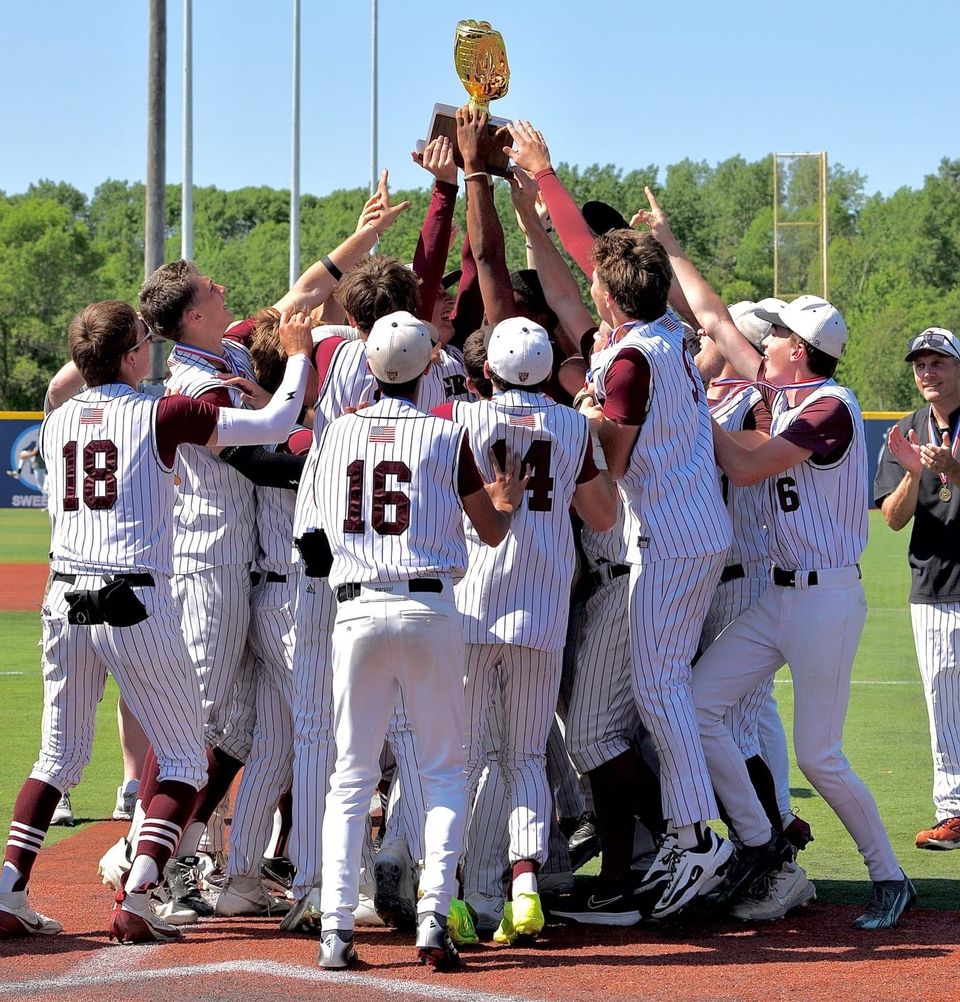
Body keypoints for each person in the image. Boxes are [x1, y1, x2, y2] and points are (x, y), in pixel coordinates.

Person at [635, 187, 915, 929]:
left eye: (781, 333)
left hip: (827, 598)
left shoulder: (831, 404)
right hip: (782, 595)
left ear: (800, 348)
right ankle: (760, 842)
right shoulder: (782, 390)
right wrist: (667, 243)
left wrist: (687, 407)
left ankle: (889, 877)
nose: (767, 341)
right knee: (697, 705)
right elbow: (714, 318)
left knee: (821, 756)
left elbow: (747, 464)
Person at [0, 301, 312, 943]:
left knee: (57, 756)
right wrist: (300, 357)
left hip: (63, 599)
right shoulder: (161, 412)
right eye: (144, 340)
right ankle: (139, 896)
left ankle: (9, 888)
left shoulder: (55, 421)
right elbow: (276, 422)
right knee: (184, 760)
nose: (152, 348)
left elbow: (67, 387)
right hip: (134, 598)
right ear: (130, 355)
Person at [310, 311, 526, 970]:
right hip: (428, 606)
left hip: (356, 606)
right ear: (430, 366)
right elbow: (491, 531)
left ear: (370, 367)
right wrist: (506, 500)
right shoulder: (445, 433)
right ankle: (434, 917)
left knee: (351, 777)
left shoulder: (336, 430)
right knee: (442, 771)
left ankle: (335, 928)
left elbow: (314, 532)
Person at [439, 318, 617, 941]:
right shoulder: (572, 426)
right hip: (541, 606)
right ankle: (522, 885)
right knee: (527, 757)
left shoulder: (459, 418)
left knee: (464, 757)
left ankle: (454, 893)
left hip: (470, 601)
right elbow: (603, 516)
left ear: (487, 370)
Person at [875, 326, 960, 851]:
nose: (927, 373)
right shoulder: (907, 430)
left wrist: (956, 470)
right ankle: (954, 811)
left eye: (939, 362)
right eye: (920, 364)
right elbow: (892, 517)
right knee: (943, 704)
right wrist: (911, 474)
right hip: (934, 584)